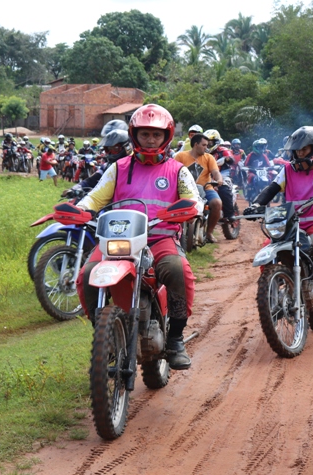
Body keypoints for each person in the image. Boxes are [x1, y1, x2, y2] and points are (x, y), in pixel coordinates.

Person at [75, 104, 201, 370]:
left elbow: (193, 200)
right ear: (134, 135)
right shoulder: (118, 168)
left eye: (156, 135)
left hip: (160, 238)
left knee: (179, 271)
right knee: (87, 275)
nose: (150, 140)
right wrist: (81, 210)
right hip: (119, 241)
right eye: (145, 134)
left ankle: (176, 338)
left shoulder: (177, 170)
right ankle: (105, 337)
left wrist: (188, 209)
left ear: (166, 136)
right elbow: (95, 197)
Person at [243, 126, 313, 309]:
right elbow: (272, 189)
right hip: (291, 222)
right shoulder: (287, 170)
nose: (299, 154)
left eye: (304, 149)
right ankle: (272, 287)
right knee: (267, 247)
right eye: (297, 150)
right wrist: (256, 205)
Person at [175, 133, 229, 243]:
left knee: (217, 203)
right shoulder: (180, 156)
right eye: (204, 145)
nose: (207, 148)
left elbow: (215, 172)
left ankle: (209, 233)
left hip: (206, 188)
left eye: (207, 145)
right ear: (196, 144)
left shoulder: (209, 158)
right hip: (186, 190)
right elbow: (174, 172)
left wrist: (219, 179)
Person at [204, 129, 237, 223]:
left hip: (223, 173)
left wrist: (227, 159)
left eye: (210, 142)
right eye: (206, 142)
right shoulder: (204, 152)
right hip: (208, 175)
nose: (208, 144)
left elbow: (231, 158)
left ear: (216, 141)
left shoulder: (223, 150)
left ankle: (229, 214)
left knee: (223, 188)